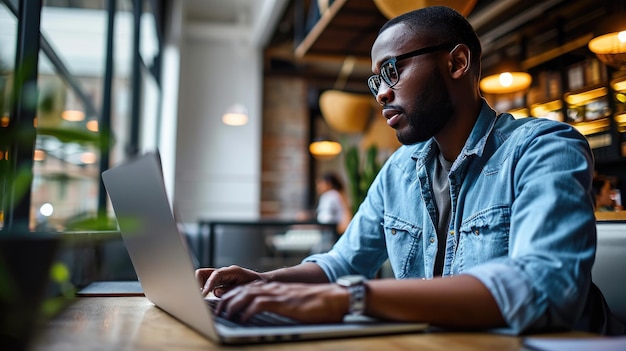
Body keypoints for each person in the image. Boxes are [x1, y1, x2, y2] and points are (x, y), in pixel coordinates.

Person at [197, 6, 623, 335]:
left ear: (457, 63)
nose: (382, 93)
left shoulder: (545, 149)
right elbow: (342, 263)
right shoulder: (400, 170)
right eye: (375, 81)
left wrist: (350, 300)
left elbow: (544, 288)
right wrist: (266, 283)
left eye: (391, 70)